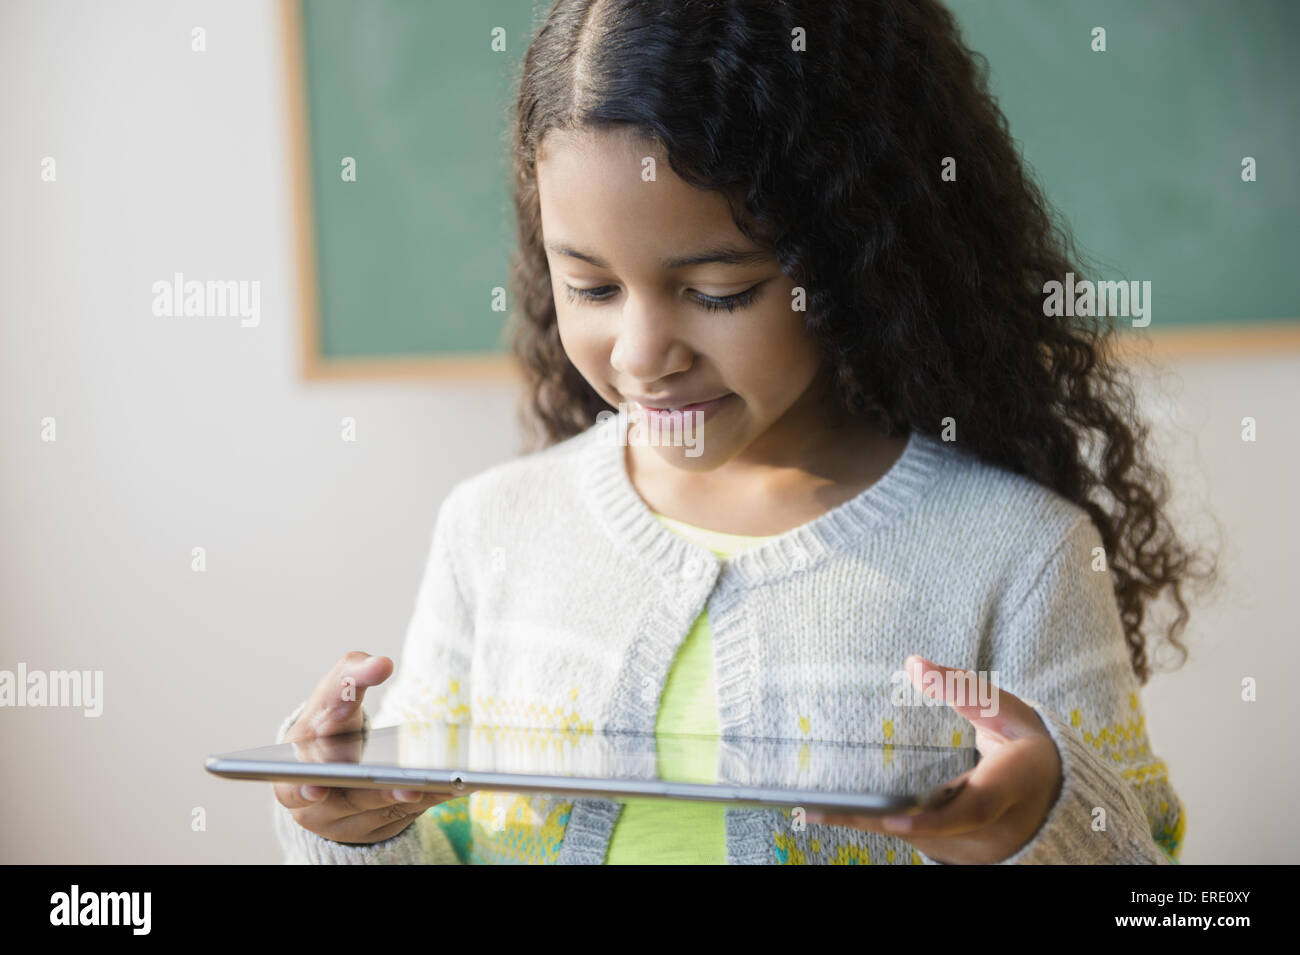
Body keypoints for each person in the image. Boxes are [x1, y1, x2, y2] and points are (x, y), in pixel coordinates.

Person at [272, 0, 1215, 864]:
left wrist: (1039, 824)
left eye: (719, 292)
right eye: (591, 287)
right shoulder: (492, 530)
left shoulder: (1022, 556)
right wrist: (352, 830)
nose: (641, 355)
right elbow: (432, 835)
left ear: (853, 254)